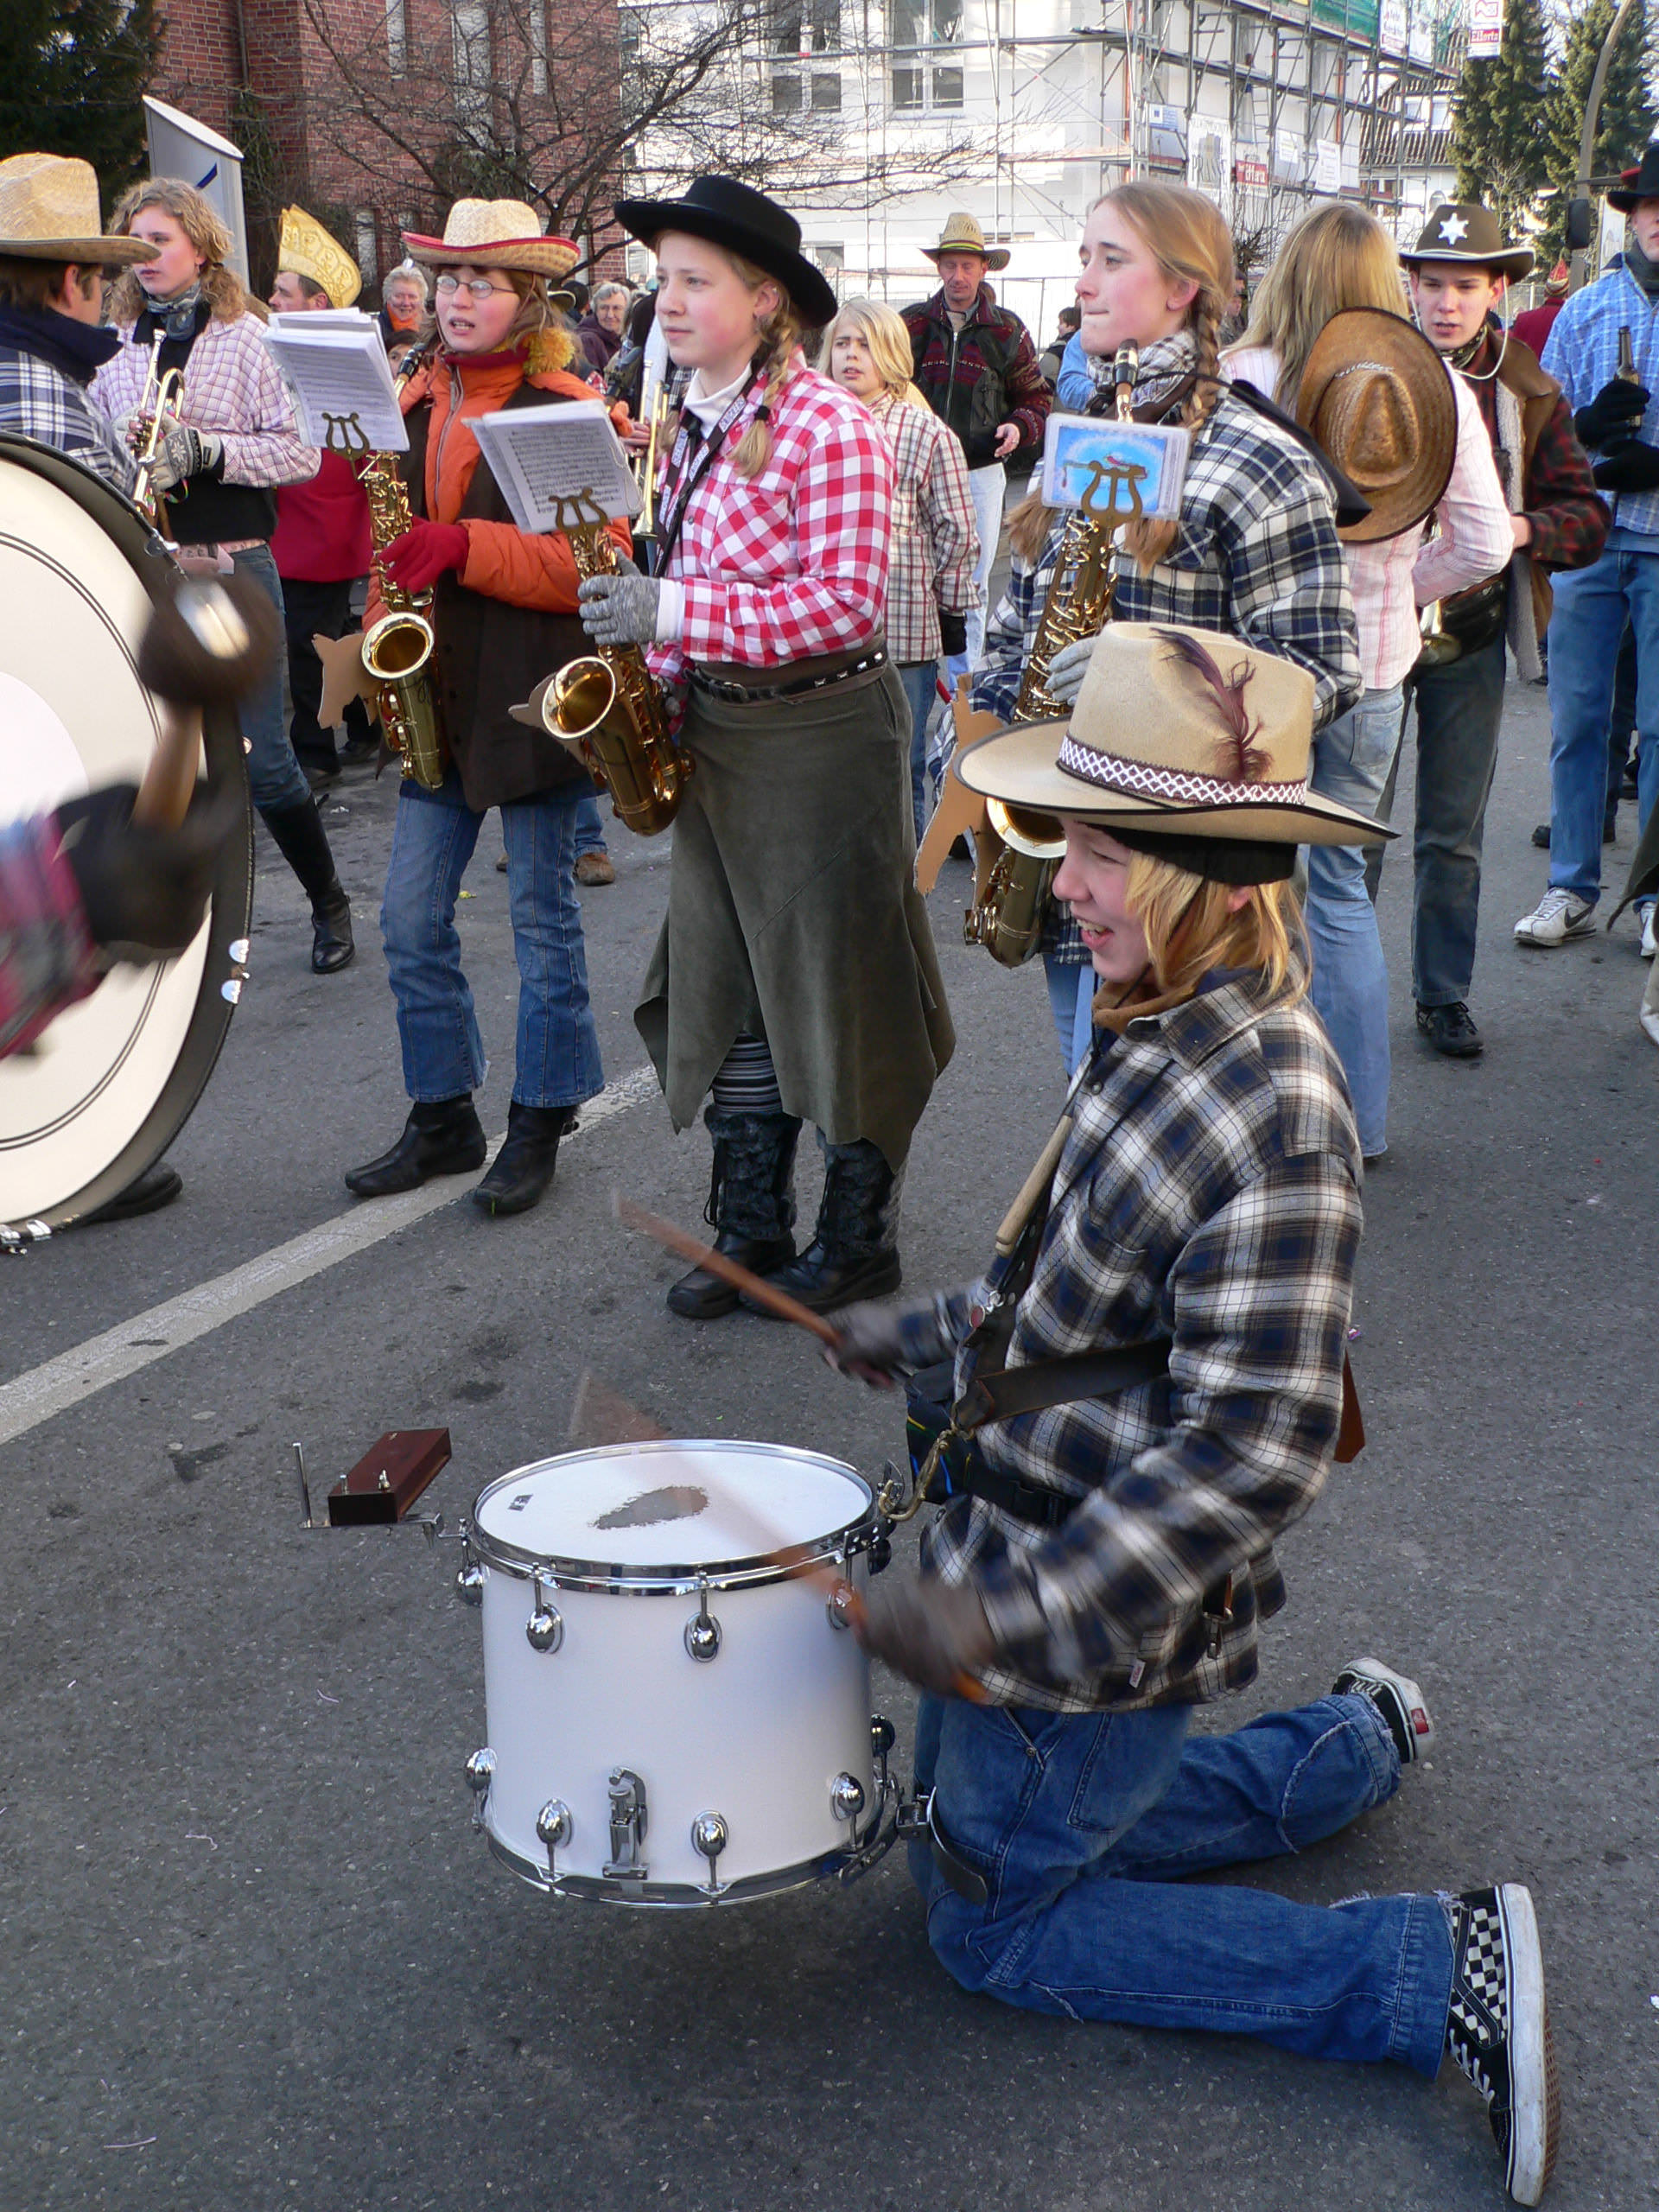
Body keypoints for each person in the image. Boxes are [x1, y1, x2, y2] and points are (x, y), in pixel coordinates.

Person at [829, 621, 1558, 2212]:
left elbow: (1251, 1449)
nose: (1064, 884)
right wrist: (930, 1334)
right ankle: (1349, 1749)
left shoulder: (1278, 1111)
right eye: (1069, 843)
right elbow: (1065, 1295)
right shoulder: (1149, 1022)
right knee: (998, 1824)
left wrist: (1003, 1616)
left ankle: (1423, 1972)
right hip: (1014, 1549)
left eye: (1105, 854)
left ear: (1216, 880)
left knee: (989, 1919)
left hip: (1085, 1622)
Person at [577, 175, 954, 1316]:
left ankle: (857, 1239)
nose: (668, 300)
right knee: (727, 982)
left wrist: (670, 612)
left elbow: (844, 606)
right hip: (724, 735)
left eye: (696, 281)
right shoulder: (690, 417)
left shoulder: (829, 426)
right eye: (665, 279)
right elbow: (693, 580)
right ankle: (749, 1229)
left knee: (841, 994)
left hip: (822, 741)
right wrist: (650, 680)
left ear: (765, 300)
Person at [969, 182, 1362, 1077]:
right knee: (1091, 1094)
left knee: (1173, 1108)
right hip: (1070, 844)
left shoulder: (1261, 458)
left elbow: (1324, 674)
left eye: (1113, 261)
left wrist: (1148, 682)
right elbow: (1018, 616)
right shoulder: (1084, 436)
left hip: (1191, 873)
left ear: (1184, 288)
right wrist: (985, 741)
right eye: (1085, 258)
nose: (1085, 282)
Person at [343, 198, 627, 1217]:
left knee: (543, 919)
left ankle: (540, 1117)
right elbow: (394, 547)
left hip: (536, 687)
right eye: (450, 281)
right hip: (441, 689)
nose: (458, 299)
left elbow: (597, 566)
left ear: (529, 298)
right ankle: (444, 1116)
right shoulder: (416, 396)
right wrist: (380, 640)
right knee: (410, 917)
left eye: (483, 283)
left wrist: (464, 546)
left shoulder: (563, 405)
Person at [1225, 203, 1513, 1103]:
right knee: (1341, 887)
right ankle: (1360, 1118)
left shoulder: (1244, 376)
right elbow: (1485, 543)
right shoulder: (1433, 384)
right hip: (1374, 670)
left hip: (1257, 671)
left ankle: (1262, 1102)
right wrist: (1400, 588)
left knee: (1246, 884)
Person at [92, 177, 356, 980]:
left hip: (234, 563)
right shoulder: (115, 337)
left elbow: (300, 451)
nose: (145, 256)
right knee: (168, 759)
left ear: (201, 248)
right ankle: (189, 943)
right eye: (134, 243)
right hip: (146, 564)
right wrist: (123, 439)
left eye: (160, 241)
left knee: (264, 760)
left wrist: (205, 449)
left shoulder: (248, 336)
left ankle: (329, 902)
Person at [1384, 207, 1607, 1008]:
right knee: (1349, 832)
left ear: (1497, 290)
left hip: (1469, 630)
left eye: (1466, 287)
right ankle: (1331, 1000)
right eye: (1433, 284)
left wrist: (1514, 528)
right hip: (1372, 626)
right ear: (1411, 285)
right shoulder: (1369, 359)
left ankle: (1443, 996)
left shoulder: (1526, 385)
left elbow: (1586, 518)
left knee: (1453, 835)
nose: (1447, 303)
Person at [1526, 145, 1659, 951]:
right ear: (1633, 215)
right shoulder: (1586, 310)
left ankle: (1653, 894)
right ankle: (1570, 885)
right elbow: (1538, 430)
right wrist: (1583, 431)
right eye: (1652, 205)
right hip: (1592, 542)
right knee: (1577, 721)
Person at [823, 297, 979, 841]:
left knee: (899, 763)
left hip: (902, 627)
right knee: (829, 766)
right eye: (843, 343)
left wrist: (952, 610)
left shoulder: (925, 432)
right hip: (820, 629)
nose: (851, 355)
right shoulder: (811, 426)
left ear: (890, 353)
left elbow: (956, 529)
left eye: (865, 345)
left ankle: (902, 879)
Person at [901, 213, 1051, 679]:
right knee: (908, 575)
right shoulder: (911, 325)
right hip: (914, 471)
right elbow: (885, 384)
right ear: (939, 267)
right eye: (950, 264)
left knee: (972, 581)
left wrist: (1019, 428)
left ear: (984, 268)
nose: (958, 275)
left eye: (967, 265)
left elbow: (1037, 398)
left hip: (980, 471)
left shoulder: (1007, 331)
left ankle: (962, 684)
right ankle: (913, 676)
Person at [265, 207, 376, 791]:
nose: (272, 300)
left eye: (283, 291)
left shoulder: (342, 352)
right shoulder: (276, 346)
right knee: (332, 633)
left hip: (325, 518)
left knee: (311, 642)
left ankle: (316, 751)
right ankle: (365, 726)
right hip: (295, 513)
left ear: (317, 301)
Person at [1511, 261, 1570, 359]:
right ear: (1567, 294)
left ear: (1545, 293)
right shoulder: (1571, 322)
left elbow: (1514, 357)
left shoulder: (1523, 319)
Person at [576, 281, 629, 376]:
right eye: (604, 308)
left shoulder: (624, 339)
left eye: (616, 308)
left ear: (627, 311)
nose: (610, 315)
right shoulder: (587, 341)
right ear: (595, 311)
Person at [377, 261, 428, 351]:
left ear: (422, 299)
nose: (406, 303)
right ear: (388, 298)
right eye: (399, 296)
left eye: (412, 297)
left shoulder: (433, 331)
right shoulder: (375, 332)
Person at [1037, 302, 1079, 387]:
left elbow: (1045, 378)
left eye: (1061, 323)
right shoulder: (1088, 347)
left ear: (1072, 326)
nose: (1058, 327)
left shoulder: (1057, 348)